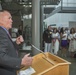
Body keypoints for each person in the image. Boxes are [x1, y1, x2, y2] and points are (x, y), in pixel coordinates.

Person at [0, 10, 33, 75]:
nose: (11, 21)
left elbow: (6, 50)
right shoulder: (1, 33)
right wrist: (21, 61)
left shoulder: (4, 32)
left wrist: (16, 43)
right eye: (9, 18)